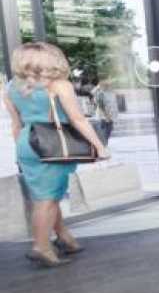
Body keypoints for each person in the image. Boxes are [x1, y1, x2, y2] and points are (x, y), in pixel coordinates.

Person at [5, 42, 110, 267]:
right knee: (47, 199)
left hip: (26, 143)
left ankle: (64, 237)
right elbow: (77, 119)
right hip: (52, 144)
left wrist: (21, 153)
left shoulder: (11, 87)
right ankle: (41, 247)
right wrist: (99, 147)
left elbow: (16, 124)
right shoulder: (59, 85)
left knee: (45, 195)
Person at [91, 78, 118, 144]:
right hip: (104, 117)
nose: (110, 86)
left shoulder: (110, 93)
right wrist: (107, 115)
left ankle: (104, 144)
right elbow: (101, 105)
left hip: (110, 117)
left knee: (108, 132)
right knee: (105, 133)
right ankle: (102, 145)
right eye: (108, 85)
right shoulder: (101, 93)